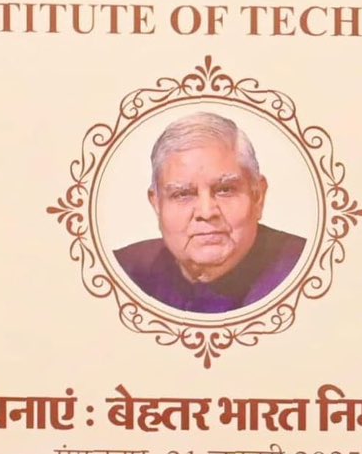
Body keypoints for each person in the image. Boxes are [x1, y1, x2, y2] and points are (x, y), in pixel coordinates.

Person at [113, 111, 307, 314]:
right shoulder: (124, 272)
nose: (206, 212)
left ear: (257, 196)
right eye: (182, 194)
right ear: (157, 205)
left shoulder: (305, 273)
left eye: (225, 190)